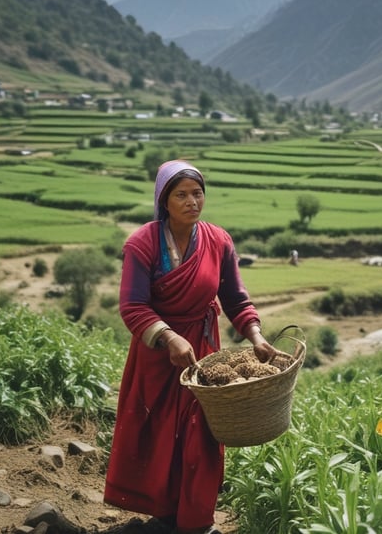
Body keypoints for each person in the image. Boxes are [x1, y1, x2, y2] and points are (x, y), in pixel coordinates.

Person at [104, 159, 277, 534]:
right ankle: (165, 514)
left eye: (197, 193)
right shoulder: (142, 244)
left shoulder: (218, 240)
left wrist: (257, 337)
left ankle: (196, 521)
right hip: (157, 354)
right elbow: (132, 305)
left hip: (203, 353)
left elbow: (235, 298)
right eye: (181, 195)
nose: (191, 202)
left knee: (202, 432)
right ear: (164, 200)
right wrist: (168, 336)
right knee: (159, 432)